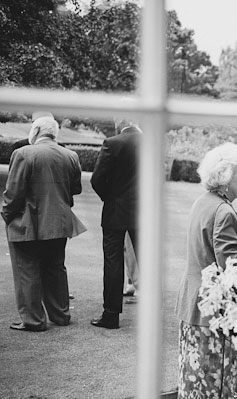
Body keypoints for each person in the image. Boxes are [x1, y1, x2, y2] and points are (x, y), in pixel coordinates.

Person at [175, 142, 237, 399]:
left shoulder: (203, 202)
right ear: (226, 175)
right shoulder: (224, 211)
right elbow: (231, 270)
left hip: (193, 303)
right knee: (214, 386)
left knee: (193, 383)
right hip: (213, 313)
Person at [2, 115, 86, 332]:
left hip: (28, 222)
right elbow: (75, 189)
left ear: (36, 130)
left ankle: (34, 320)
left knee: (27, 270)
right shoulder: (71, 155)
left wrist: (7, 215)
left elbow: (13, 193)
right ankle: (61, 314)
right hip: (59, 222)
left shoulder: (23, 154)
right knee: (55, 268)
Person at [90, 119, 141, 329]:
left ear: (119, 124)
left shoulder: (113, 142)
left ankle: (111, 315)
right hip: (144, 211)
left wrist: (110, 198)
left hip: (115, 211)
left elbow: (97, 180)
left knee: (113, 262)